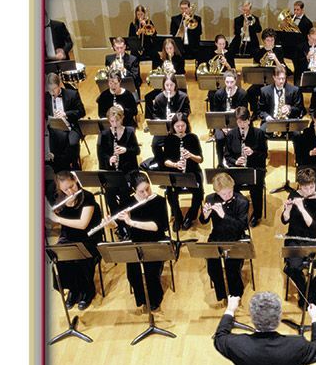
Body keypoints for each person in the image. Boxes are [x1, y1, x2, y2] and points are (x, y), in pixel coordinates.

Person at [213, 291, 316, 365]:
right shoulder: (296, 345)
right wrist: (315, 318)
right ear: (279, 317)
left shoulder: (237, 344)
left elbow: (219, 337)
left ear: (253, 318)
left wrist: (230, 310)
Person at [45, 170, 102, 310]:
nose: (70, 191)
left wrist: (57, 219)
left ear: (76, 180)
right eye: (66, 189)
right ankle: (73, 290)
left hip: (88, 237)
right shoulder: (60, 198)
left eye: (72, 186)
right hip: (68, 236)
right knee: (60, 258)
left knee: (80, 259)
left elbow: (83, 224)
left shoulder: (87, 197)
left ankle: (87, 291)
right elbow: (57, 223)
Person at [114, 172, 170, 312]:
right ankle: (142, 299)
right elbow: (120, 226)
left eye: (148, 189)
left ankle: (155, 299)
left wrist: (131, 222)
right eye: (141, 191)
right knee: (132, 274)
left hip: (155, 241)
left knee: (151, 273)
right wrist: (111, 223)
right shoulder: (127, 202)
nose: (146, 193)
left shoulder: (159, 201)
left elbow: (157, 227)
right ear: (134, 190)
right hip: (135, 242)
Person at [282, 167, 316, 306]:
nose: (309, 191)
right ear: (299, 186)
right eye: (305, 188)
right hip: (295, 239)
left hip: (315, 240)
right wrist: (287, 210)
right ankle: (306, 294)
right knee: (293, 267)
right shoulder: (293, 195)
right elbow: (285, 220)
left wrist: (302, 208)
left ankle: (311, 292)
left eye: (312, 187)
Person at [199, 172, 249, 301]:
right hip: (217, 236)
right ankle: (221, 294)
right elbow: (203, 221)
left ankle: (236, 294)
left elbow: (241, 226)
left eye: (230, 192)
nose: (227, 196)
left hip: (236, 238)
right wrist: (205, 215)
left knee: (232, 268)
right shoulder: (210, 199)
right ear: (217, 192)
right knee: (212, 268)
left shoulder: (242, 202)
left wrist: (224, 215)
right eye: (223, 194)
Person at [223, 106, 268, 227]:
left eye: (244, 121)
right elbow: (227, 156)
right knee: (231, 186)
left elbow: (264, 155)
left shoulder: (259, 134)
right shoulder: (231, 134)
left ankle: (257, 214)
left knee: (256, 187)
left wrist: (253, 153)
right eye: (239, 122)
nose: (241, 125)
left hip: (255, 167)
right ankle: (238, 210)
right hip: (238, 168)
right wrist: (236, 161)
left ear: (249, 120)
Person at [162, 112, 204, 230]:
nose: (180, 129)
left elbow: (200, 159)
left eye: (183, 126)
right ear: (173, 126)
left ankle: (190, 216)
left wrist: (190, 155)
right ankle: (178, 216)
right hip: (175, 171)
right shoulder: (169, 139)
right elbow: (165, 161)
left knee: (199, 193)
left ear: (187, 125)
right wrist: (175, 164)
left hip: (192, 172)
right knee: (171, 193)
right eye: (177, 126)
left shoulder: (193, 137)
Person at [45, 72, 85, 168]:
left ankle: (74, 165)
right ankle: (61, 168)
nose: (52, 92)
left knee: (72, 144)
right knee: (52, 147)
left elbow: (81, 112)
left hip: (71, 127)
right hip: (55, 129)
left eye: (54, 89)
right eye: (50, 90)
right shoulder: (45, 97)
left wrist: (66, 114)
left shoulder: (72, 94)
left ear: (59, 85)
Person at [211, 71, 248, 165]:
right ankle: (220, 163)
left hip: (238, 123)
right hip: (221, 124)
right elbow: (216, 114)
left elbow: (245, 113)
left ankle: (238, 161)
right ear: (224, 81)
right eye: (227, 82)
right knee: (219, 138)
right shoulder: (219, 94)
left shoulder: (242, 93)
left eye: (232, 82)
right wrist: (223, 128)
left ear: (236, 81)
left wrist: (236, 112)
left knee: (240, 135)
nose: (229, 85)